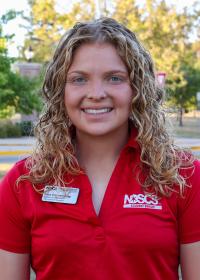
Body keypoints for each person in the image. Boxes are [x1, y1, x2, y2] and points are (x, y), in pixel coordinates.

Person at [0, 17, 200, 280]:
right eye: (79, 79)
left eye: (114, 78)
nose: (96, 93)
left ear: (137, 89)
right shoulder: (23, 182)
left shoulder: (185, 176)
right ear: (62, 92)